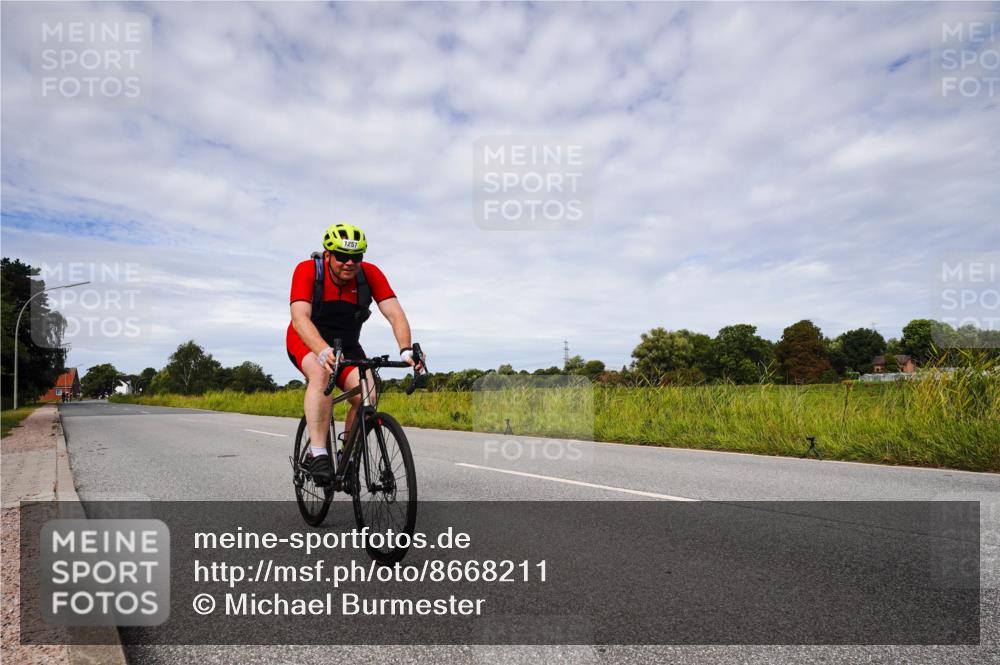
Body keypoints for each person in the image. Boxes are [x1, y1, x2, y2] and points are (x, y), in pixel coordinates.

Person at [286, 223, 422, 484]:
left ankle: (348, 458)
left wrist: (406, 349)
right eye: (342, 256)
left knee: (367, 394)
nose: (349, 263)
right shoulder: (307, 271)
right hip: (306, 339)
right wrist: (322, 350)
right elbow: (300, 318)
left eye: (356, 257)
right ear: (328, 255)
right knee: (321, 374)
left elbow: (395, 313)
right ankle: (318, 453)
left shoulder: (369, 274)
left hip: (347, 344)